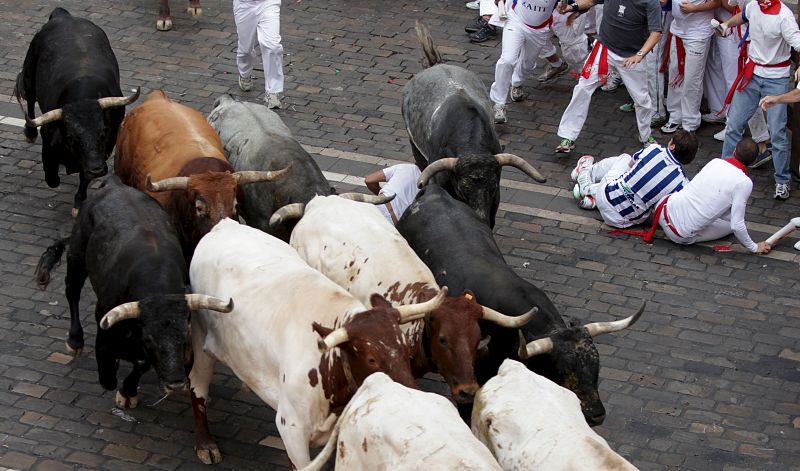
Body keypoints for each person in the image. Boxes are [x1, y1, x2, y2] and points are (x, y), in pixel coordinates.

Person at [554, 0, 663, 153]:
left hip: (631, 57)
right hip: (604, 49)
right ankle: (568, 137)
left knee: (642, 100)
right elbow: (591, 1)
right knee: (583, 87)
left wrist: (639, 55)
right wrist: (571, 8)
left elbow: (656, 33)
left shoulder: (651, 2)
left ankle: (645, 136)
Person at [718, 0, 800, 200]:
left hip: (776, 79)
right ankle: (723, 173)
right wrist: (728, 24)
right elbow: (744, 15)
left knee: (778, 132)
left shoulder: (784, 17)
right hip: (752, 75)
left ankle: (782, 181)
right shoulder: (753, 6)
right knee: (733, 126)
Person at [649, 138, 771, 254]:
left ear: (734, 151)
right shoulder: (744, 183)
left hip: (662, 208)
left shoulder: (716, 162)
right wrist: (754, 247)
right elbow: (736, 225)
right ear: (753, 162)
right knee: (730, 224)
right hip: (678, 234)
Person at [571, 129, 698, 229]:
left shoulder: (654, 149)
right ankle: (592, 199)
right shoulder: (682, 182)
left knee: (625, 159)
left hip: (606, 197)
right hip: (623, 221)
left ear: (672, 145)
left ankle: (586, 176)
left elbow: (631, 165)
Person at [488, 0, 565, 124]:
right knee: (507, 60)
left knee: (527, 64)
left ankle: (517, 83)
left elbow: (580, 4)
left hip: (539, 31)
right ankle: (499, 103)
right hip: (516, 21)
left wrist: (571, 8)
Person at [659, 0, 717, 134]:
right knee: (674, 74)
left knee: (692, 79)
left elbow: (716, 2)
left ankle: (690, 121)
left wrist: (694, 8)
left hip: (698, 33)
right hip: (677, 31)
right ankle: (675, 116)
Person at [234, 0, 297, 109]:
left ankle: (273, 92)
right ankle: (244, 74)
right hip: (244, 5)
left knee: (273, 47)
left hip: (268, 3)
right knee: (245, 50)